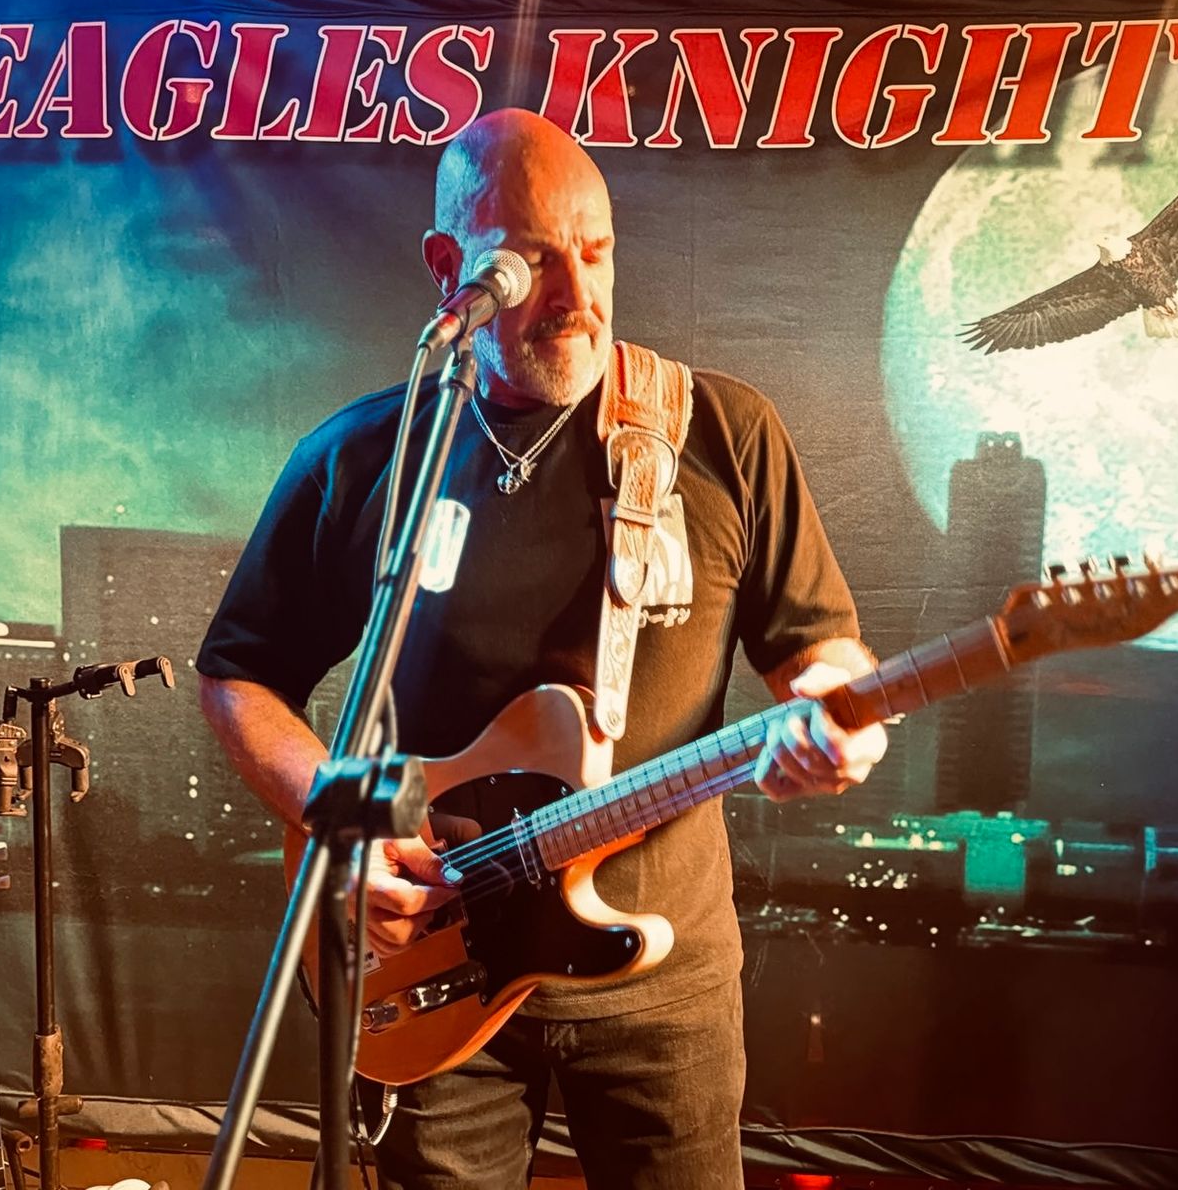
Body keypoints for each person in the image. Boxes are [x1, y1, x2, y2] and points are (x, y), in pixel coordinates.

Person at [196, 107, 888, 1190]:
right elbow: (241, 675)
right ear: (450, 268)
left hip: (664, 985)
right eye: (534, 263)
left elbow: (820, 652)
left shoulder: (723, 434)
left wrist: (839, 718)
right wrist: (337, 826)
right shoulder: (365, 457)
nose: (578, 295)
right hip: (431, 965)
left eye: (596, 252)